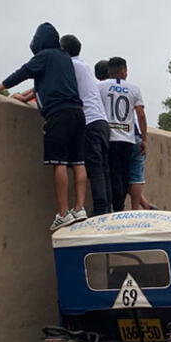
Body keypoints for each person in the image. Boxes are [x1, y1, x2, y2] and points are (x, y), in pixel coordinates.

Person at [0, 22, 87, 231]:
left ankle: (64, 213)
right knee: (78, 162)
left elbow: (22, 73)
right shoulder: (65, 58)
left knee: (60, 162)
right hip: (77, 113)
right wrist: (28, 96)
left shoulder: (45, 56)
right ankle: (80, 208)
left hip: (58, 114)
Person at [60, 35, 111, 216]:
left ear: (63, 50)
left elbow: (54, 84)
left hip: (89, 121)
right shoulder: (84, 66)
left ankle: (100, 211)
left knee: (95, 168)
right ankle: (108, 210)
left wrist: (25, 97)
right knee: (104, 170)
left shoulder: (70, 66)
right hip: (102, 123)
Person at [97, 57, 147, 212]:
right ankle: (120, 207)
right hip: (127, 139)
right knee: (125, 175)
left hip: (108, 137)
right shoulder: (134, 89)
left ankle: (110, 207)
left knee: (110, 173)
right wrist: (144, 139)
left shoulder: (99, 86)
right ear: (124, 71)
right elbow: (141, 115)